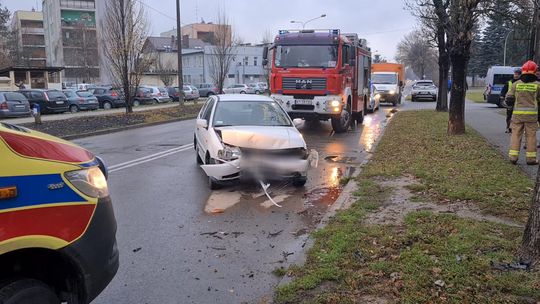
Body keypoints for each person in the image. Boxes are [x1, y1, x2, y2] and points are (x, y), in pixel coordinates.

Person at [506, 60, 540, 165]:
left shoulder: (516, 84)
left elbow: (509, 98)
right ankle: (531, 159)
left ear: (523, 71)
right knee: (531, 136)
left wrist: (510, 109)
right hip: (532, 117)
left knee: (515, 135)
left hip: (517, 116)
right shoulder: (538, 85)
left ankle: (513, 157)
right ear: (535, 71)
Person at [501, 68, 522, 133]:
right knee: (509, 115)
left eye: (518, 74)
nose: (516, 75)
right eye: (515, 74)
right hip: (510, 102)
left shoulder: (522, 83)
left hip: (519, 102)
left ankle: (517, 128)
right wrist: (502, 96)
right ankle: (508, 127)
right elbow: (503, 91)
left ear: (520, 75)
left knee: (518, 116)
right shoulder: (509, 82)